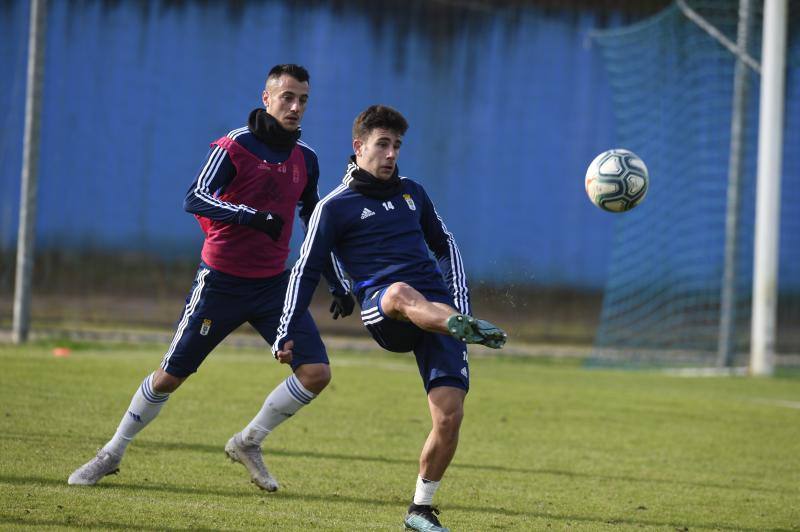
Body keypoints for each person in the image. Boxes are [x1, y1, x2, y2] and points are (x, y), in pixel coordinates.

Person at [68, 64, 354, 490]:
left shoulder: (305, 159)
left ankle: (248, 441)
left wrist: (336, 276)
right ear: (267, 98)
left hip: (275, 286)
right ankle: (111, 453)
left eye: (304, 99)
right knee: (171, 375)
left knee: (316, 373)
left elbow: (314, 219)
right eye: (288, 97)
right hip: (220, 282)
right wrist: (251, 216)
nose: (296, 107)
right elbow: (194, 197)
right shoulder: (235, 145)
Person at [273, 104, 506, 532]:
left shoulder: (413, 194)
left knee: (449, 416)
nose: (391, 154)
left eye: (397, 145)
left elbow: (445, 246)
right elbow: (306, 268)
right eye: (383, 144)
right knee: (400, 292)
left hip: (436, 305)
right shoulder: (335, 207)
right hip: (385, 310)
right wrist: (286, 327)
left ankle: (421, 509)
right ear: (358, 147)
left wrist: (459, 304)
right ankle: (455, 324)